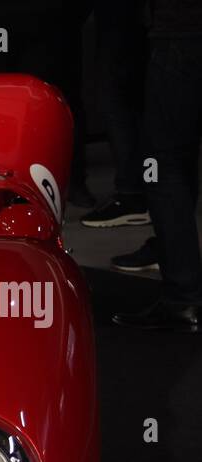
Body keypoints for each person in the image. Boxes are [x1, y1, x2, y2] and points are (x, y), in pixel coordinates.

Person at [113, 0, 202, 331]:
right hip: (180, 33)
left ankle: (183, 296)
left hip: (181, 35)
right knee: (170, 163)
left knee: (164, 164)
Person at [0, 0, 95, 208]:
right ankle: (69, 181)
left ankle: (5, 181)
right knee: (55, 99)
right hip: (51, 17)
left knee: (0, 99)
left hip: (11, 18)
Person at [81, 0, 150, 230]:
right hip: (131, 19)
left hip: (125, 18)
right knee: (125, 100)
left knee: (118, 100)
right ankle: (139, 192)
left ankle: (134, 195)